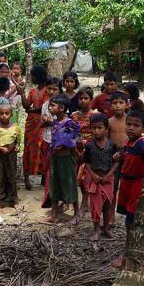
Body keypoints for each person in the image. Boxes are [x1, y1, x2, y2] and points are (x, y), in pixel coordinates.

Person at [83, 113, 119, 241]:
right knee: (95, 206)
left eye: (100, 128)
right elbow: (86, 162)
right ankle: (96, 230)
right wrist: (93, 175)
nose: (96, 131)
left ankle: (106, 229)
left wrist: (109, 175)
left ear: (106, 128)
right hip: (96, 180)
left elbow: (116, 162)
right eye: (94, 128)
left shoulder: (112, 145)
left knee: (107, 206)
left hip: (108, 180)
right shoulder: (89, 146)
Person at [46, 94, 81, 223]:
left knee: (70, 185)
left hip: (66, 159)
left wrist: (63, 144)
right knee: (54, 185)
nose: (49, 108)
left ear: (61, 108)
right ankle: (54, 214)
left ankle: (76, 213)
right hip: (55, 159)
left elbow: (76, 137)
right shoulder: (55, 122)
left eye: (52, 105)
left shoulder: (70, 123)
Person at [116, 110, 144, 231]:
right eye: (128, 124)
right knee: (127, 214)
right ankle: (129, 240)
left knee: (132, 215)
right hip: (125, 182)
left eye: (136, 125)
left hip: (136, 183)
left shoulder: (142, 145)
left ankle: (132, 241)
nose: (131, 128)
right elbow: (126, 158)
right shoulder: (127, 142)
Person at [0, 102, 22, 215]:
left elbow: (18, 139)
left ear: (11, 114)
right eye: (1, 114)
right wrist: (1, 148)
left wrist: (17, 146)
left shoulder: (15, 127)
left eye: (6, 113)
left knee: (11, 175)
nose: (4, 116)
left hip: (11, 155)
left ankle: (14, 199)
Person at [23, 66, 50, 190]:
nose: (32, 78)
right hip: (31, 124)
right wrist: (21, 92)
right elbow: (26, 105)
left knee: (42, 148)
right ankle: (27, 178)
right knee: (28, 148)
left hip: (42, 123)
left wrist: (31, 110)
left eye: (33, 75)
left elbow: (45, 106)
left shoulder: (47, 90)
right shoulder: (33, 91)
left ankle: (44, 177)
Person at [39, 77, 63, 207]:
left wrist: (50, 122)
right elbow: (42, 123)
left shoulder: (64, 104)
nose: (52, 91)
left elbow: (65, 123)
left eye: (55, 89)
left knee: (58, 171)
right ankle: (50, 198)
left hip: (59, 143)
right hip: (47, 140)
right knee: (48, 170)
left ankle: (59, 199)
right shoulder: (45, 105)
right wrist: (46, 122)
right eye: (49, 88)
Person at [72, 86, 95, 216]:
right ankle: (84, 203)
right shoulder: (74, 115)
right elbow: (71, 132)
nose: (83, 101)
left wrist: (87, 144)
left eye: (86, 98)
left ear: (91, 99)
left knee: (86, 177)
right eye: (80, 98)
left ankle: (85, 203)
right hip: (76, 149)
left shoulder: (96, 115)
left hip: (90, 150)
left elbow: (98, 133)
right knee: (78, 178)